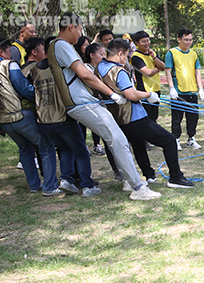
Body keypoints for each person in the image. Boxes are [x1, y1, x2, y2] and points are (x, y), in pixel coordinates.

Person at [48, 12, 160, 200]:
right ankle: (138, 188)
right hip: (82, 103)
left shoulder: (56, 46)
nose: (80, 33)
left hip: (82, 102)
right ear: (71, 27)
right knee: (118, 140)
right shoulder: (61, 45)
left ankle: (129, 181)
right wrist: (112, 94)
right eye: (80, 28)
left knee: (117, 139)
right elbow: (84, 74)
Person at [96, 38, 194, 189]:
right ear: (120, 53)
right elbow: (131, 94)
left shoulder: (100, 67)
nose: (127, 59)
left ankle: (149, 175)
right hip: (133, 116)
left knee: (138, 144)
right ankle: (175, 177)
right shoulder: (118, 71)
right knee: (169, 140)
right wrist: (149, 95)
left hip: (118, 118)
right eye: (127, 56)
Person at [0, 37, 59, 195]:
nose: (10, 54)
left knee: (25, 150)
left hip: (2, 120)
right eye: (8, 50)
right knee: (46, 147)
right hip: (21, 116)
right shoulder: (9, 65)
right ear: (1, 51)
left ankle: (34, 185)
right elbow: (24, 88)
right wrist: (38, 101)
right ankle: (50, 186)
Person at [28, 38, 101, 197]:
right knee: (81, 151)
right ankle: (87, 186)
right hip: (62, 116)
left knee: (65, 148)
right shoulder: (58, 67)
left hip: (44, 120)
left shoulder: (34, 70)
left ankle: (66, 179)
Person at [165, 27, 204, 150]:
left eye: (190, 40)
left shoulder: (193, 54)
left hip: (191, 90)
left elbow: (197, 72)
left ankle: (191, 139)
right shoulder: (171, 53)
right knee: (177, 117)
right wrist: (172, 88)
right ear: (179, 39)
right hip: (178, 91)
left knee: (193, 116)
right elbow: (168, 71)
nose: (188, 42)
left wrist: (201, 88)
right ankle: (176, 139)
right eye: (186, 39)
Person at [131, 31, 165, 126]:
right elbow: (148, 73)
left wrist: (154, 57)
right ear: (137, 43)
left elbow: (163, 67)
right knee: (146, 117)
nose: (146, 44)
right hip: (144, 90)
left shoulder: (152, 53)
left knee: (154, 117)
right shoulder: (136, 57)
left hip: (156, 88)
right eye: (143, 42)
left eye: (147, 41)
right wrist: (157, 68)